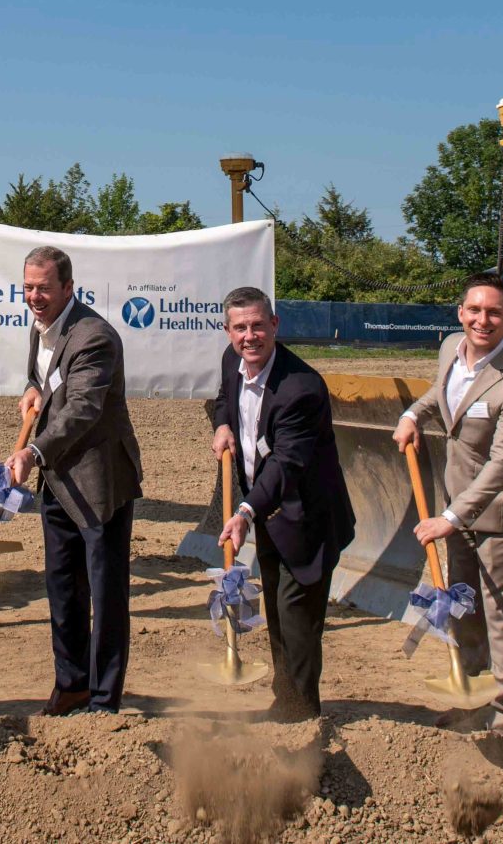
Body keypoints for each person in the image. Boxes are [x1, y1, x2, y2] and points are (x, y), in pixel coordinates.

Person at [391, 271, 503, 735]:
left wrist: (451, 518)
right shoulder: (450, 349)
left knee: (501, 612)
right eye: (474, 310)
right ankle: (471, 698)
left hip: (497, 512)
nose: (483, 320)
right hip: (454, 504)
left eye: (494, 312)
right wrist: (412, 414)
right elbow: (441, 394)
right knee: (464, 605)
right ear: (460, 313)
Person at [3, 245, 143, 715]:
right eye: (28, 287)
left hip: (99, 481)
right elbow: (45, 378)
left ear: (68, 288)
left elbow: (83, 406)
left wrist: (33, 451)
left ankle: (104, 698)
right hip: (58, 481)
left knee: (105, 592)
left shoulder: (95, 336)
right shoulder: (40, 327)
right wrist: (33, 389)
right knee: (62, 587)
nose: (34, 297)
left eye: (43, 288)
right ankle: (72, 684)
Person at [211, 286, 356, 721]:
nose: (249, 336)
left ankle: (301, 711)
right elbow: (225, 399)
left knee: (296, 617)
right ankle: (286, 700)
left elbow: (286, 464)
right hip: (268, 513)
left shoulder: (301, 388)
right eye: (240, 328)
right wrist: (222, 425)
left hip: (306, 517)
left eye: (258, 326)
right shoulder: (232, 361)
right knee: (275, 607)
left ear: (275, 325)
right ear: (228, 331)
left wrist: (245, 511)